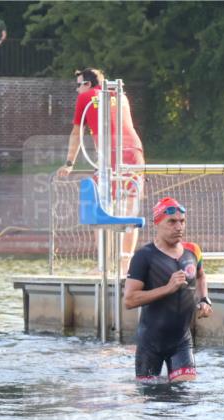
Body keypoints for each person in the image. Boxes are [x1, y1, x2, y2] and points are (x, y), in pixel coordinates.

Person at [57, 67, 146, 272]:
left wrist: (69, 163)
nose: (77, 90)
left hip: (111, 153)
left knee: (99, 206)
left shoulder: (85, 97)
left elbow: (76, 133)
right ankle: (126, 265)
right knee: (130, 209)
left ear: (88, 84)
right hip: (135, 152)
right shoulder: (121, 96)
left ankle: (103, 265)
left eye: (78, 85)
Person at [123, 197, 212, 383]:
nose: (179, 227)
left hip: (181, 341)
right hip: (150, 344)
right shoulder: (143, 256)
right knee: (150, 395)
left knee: (185, 393)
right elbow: (129, 300)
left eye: (182, 221)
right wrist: (168, 288)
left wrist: (204, 299)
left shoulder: (193, 251)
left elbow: (201, 275)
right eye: (171, 222)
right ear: (157, 223)